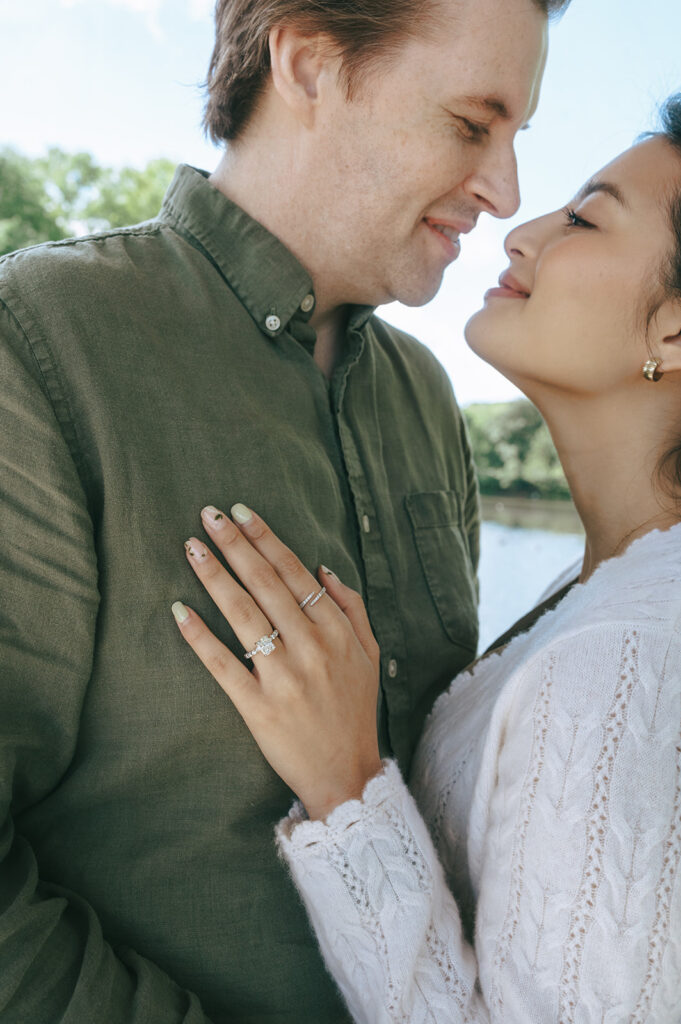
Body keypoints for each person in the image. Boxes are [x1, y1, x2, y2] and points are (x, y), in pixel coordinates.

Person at [0, 0, 570, 1020]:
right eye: (468, 123)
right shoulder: (37, 348)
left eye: (514, 137)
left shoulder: (424, 402)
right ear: (308, 62)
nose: (504, 190)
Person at [171, 96, 681, 1022]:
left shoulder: (626, 657)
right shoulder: (619, 594)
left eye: (583, 217)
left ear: (676, 332)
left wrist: (345, 783)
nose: (519, 231)